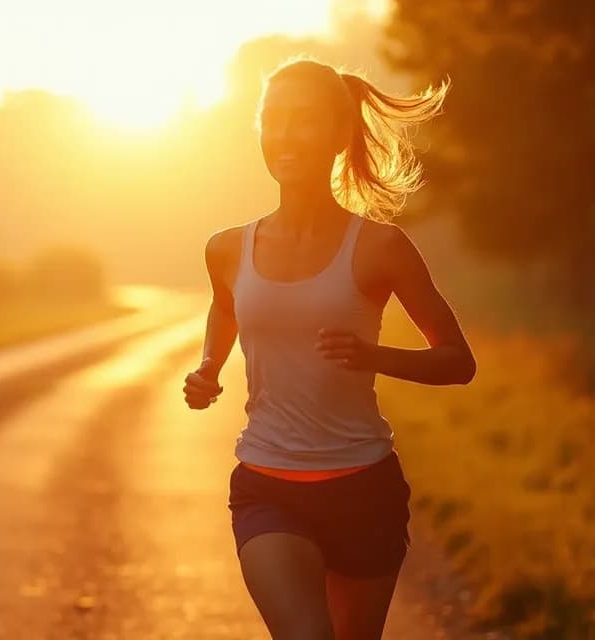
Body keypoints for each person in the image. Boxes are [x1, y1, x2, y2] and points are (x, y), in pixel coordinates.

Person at [182, 57, 476, 640]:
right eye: (274, 119)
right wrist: (209, 365)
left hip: (364, 491)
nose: (286, 134)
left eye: (304, 119)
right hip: (267, 487)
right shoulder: (227, 249)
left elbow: (457, 361)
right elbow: (226, 307)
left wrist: (376, 357)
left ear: (339, 134)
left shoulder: (381, 248)